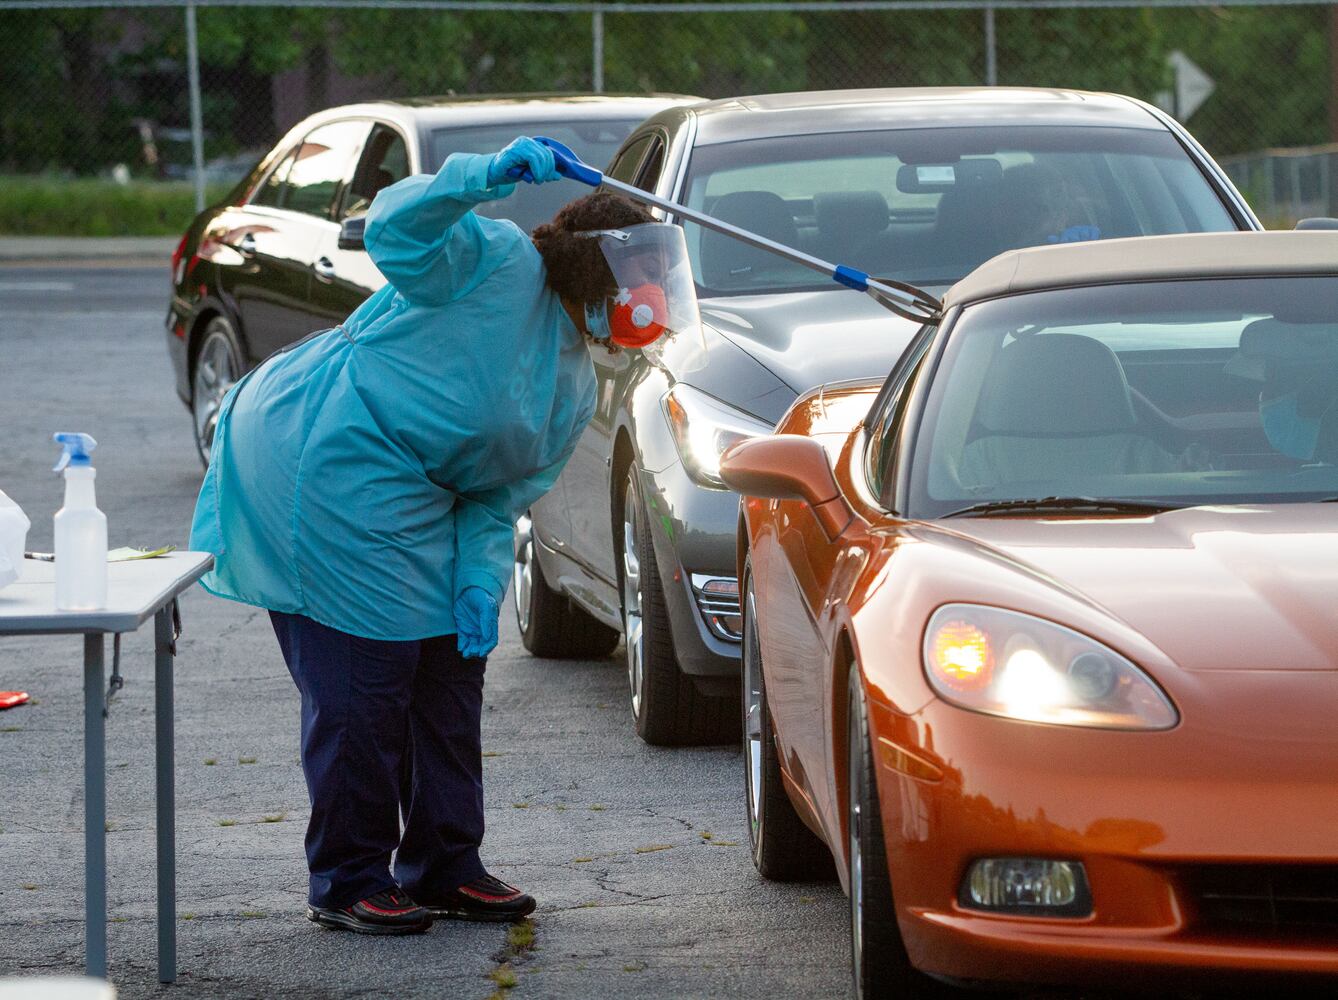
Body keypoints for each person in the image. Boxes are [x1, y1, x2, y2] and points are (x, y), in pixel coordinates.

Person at [188, 137, 685, 935]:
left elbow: (492, 498)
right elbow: (395, 230)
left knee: (452, 669)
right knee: (366, 673)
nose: (652, 297)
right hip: (322, 451)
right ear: (602, 270)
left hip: (410, 486)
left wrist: (478, 588)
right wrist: (479, 177)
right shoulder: (493, 261)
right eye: (644, 278)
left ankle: (444, 866)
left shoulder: (569, 383)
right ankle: (347, 878)